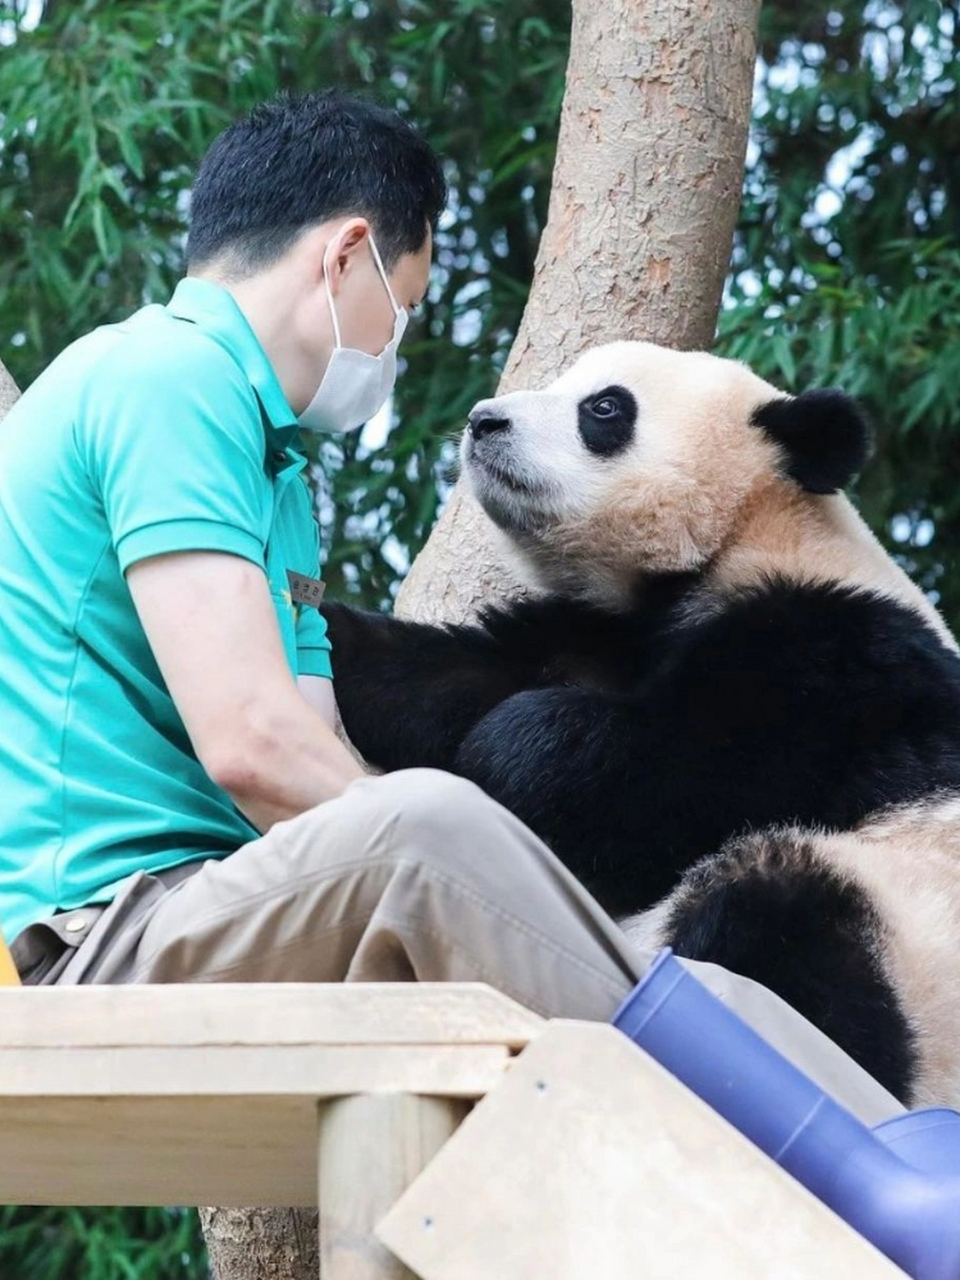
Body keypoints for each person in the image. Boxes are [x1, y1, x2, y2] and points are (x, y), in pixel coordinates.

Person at [0, 90, 898, 1123]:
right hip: (102, 939)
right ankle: (813, 1137)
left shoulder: (276, 472)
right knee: (429, 825)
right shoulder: (167, 378)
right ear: (347, 255)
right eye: (409, 303)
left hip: (226, 905)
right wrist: (458, 860)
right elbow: (252, 745)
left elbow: (315, 734)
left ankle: (853, 1124)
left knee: (646, 935)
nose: (401, 342)